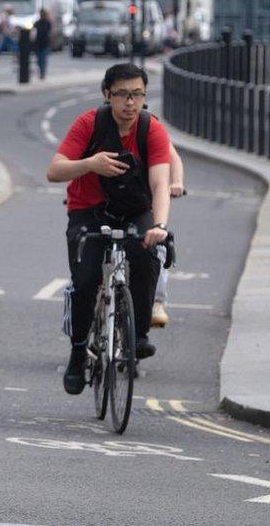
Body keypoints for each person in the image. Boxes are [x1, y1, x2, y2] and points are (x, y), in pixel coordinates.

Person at [46, 63, 171, 395]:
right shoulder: (89, 123)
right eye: (122, 95)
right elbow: (54, 171)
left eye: (137, 94)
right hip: (88, 210)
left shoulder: (151, 129)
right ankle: (77, 353)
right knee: (86, 280)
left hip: (135, 209)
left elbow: (160, 182)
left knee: (147, 258)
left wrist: (159, 224)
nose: (130, 103)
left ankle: (138, 333)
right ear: (107, 95)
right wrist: (90, 163)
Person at [153, 144, 185, 327]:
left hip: (143, 198)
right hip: (106, 200)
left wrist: (177, 182)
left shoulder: (149, 126)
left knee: (157, 245)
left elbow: (173, 158)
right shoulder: (98, 125)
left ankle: (156, 302)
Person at [34, 8, 52, 80]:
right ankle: (41, 71)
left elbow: (50, 33)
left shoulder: (47, 23)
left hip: (45, 43)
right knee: (39, 60)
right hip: (38, 43)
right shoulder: (37, 23)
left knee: (43, 59)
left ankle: (42, 73)